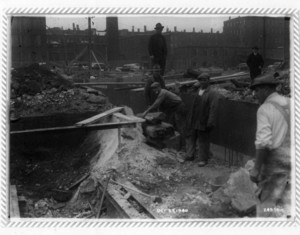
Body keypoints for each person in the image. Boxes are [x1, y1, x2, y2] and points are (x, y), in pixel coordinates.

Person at [249, 73, 291, 218]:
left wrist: (256, 169)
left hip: (274, 167)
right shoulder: (292, 102)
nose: (255, 94)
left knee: (266, 206)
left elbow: (263, 143)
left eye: (257, 90)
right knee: (287, 206)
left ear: (266, 89)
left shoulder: (265, 109)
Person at [184, 73, 222, 167]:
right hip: (195, 118)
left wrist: (210, 121)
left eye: (204, 80)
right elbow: (193, 104)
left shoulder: (213, 93)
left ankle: (203, 159)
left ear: (209, 81)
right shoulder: (198, 91)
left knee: (203, 140)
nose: (202, 82)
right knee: (191, 137)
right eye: (200, 80)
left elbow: (214, 108)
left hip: (204, 120)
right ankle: (190, 155)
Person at [142, 82, 186, 147]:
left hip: (179, 107)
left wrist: (147, 111)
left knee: (179, 125)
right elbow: (159, 105)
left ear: (159, 87)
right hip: (173, 108)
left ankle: (183, 144)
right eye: (153, 89)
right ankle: (175, 142)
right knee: (171, 124)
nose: (154, 90)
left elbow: (156, 103)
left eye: (155, 88)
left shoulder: (163, 92)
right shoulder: (160, 93)